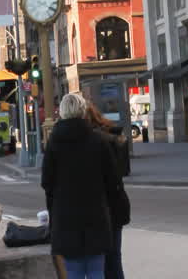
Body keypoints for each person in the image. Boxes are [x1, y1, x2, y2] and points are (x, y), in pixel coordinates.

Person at [41, 93, 121, 279]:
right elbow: (112, 180)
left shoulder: (54, 143)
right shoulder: (98, 141)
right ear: (83, 111)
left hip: (66, 219)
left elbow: (47, 183)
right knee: (96, 271)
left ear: (62, 112)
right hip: (96, 216)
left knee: (73, 272)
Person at [85, 103, 131, 279]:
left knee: (100, 261)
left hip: (102, 209)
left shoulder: (94, 142)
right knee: (114, 258)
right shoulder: (112, 136)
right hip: (117, 205)